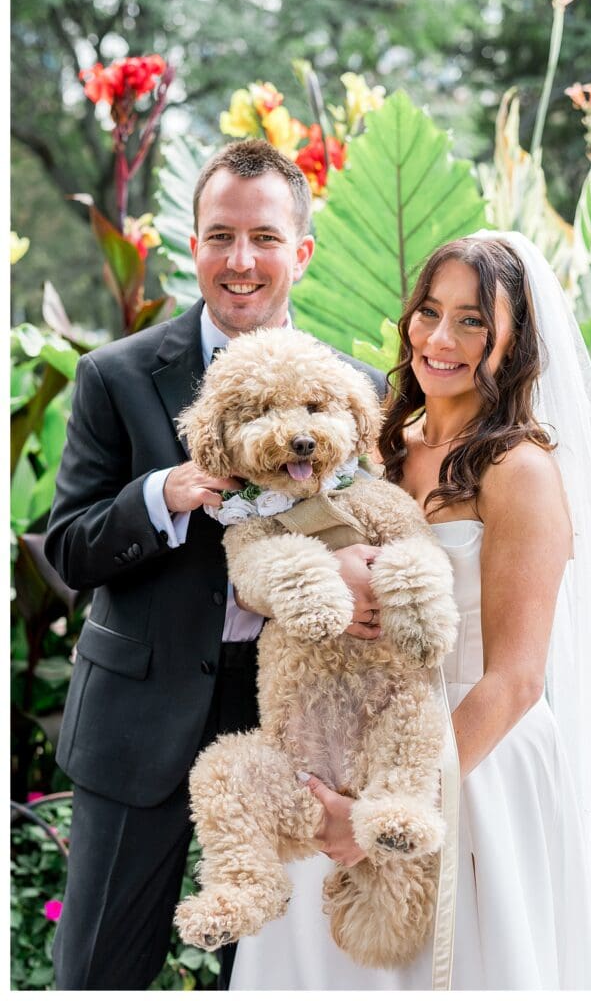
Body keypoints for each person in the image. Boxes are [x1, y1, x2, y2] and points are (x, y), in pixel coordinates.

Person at [229, 231, 591, 990]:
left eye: (473, 320)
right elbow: (265, 553)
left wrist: (381, 813)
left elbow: (516, 680)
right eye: (429, 312)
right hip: (341, 754)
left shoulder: (521, 471)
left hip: (471, 768)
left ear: (517, 339)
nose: (440, 339)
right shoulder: (374, 447)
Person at [44, 138, 386, 990]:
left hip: (290, 724)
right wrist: (162, 492)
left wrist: (354, 573)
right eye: (220, 236)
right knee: (97, 973)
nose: (241, 261)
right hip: (138, 720)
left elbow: (383, 532)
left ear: (300, 252)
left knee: (267, 976)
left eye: (265, 238)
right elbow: (66, 549)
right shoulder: (115, 376)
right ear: (192, 245)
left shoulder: (356, 390)